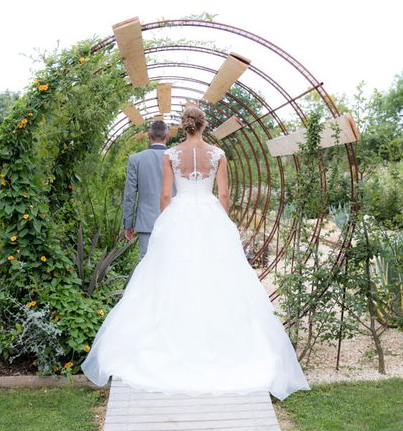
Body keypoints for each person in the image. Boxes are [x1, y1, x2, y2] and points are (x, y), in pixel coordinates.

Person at [81, 106, 310, 400]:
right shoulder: (217, 154)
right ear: (203, 126)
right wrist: (222, 220)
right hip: (209, 213)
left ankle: (171, 339)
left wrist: (165, 220)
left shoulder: (170, 155)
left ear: (184, 127)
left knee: (171, 277)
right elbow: (224, 194)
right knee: (216, 277)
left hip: (179, 213)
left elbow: (166, 194)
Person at [122, 120, 173, 259]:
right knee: (172, 263)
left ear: (148, 134)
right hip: (173, 220)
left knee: (146, 263)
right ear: (167, 135)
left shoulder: (135, 159)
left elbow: (130, 195)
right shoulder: (176, 159)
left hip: (146, 222)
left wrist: (128, 224)